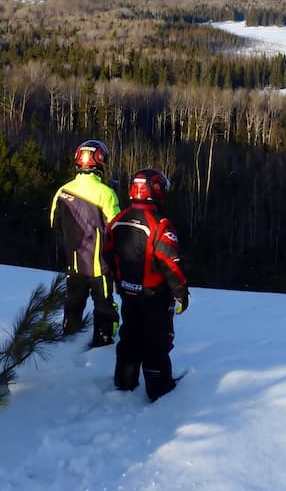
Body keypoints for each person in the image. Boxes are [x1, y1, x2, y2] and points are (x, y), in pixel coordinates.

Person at [103, 168, 190, 402]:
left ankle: (124, 380)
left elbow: (107, 254)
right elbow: (171, 264)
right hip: (155, 297)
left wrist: (118, 281)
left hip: (129, 294)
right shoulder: (160, 225)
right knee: (156, 341)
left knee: (129, 336)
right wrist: (181, 293)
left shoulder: (118, 220)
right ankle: (159, 389)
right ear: (156, 190)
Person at [50, 139, 120, 347]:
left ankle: (68, 342)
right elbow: (117, 229)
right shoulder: (107, 193)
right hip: (100, 267)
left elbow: (54, 225)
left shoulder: (62, 191)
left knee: (73, 304)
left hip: (74, 264)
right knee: (104, 307)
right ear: (100, 162)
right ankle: (103, 343)